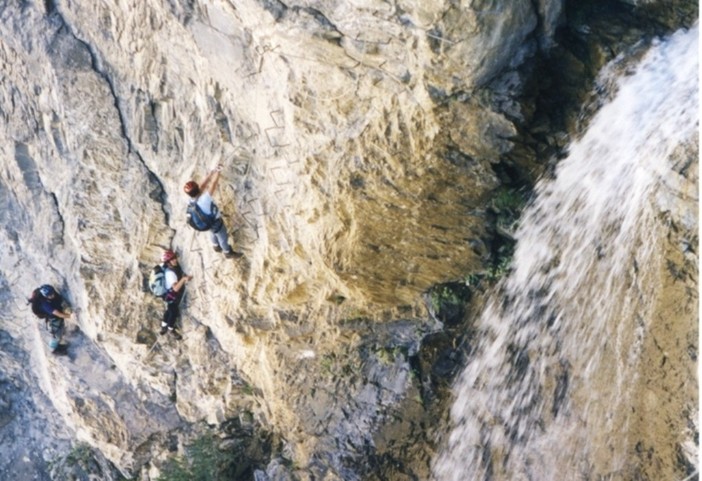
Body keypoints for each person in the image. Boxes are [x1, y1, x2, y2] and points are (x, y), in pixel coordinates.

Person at [183, 163, 241, 259]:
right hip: (215, 222)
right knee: (222, 236)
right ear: (197, 189)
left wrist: (212, 173)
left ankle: (215, 246)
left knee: (212, 232)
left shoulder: (191, 200)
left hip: (206, 223)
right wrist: (218, 172)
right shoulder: (204, 199)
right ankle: (227, 252)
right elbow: (213, 184)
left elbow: (202, 186)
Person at [160, 249, 191, 340]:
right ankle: (170, 329)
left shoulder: (169, 269)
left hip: (168, 295)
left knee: (169, 310)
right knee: (173, 312)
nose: (175, 260)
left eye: (174, 258)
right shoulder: (170, 273)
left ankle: (163, 326)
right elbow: (176, 288)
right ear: (168, 262)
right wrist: (184, 279)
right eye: (172, 259)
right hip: (172, 295)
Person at [33, 285, 72, 354]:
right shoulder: (45, 305)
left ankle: (59, 342)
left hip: (56, 315)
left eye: (52, 293)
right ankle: (54, 349)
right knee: (56, 335)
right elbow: (59, 314)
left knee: (59, 330)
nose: (52, 295)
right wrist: (70, 316)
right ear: (45, 296)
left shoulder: (51, 294)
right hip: (54, 318)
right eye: (50, 295)